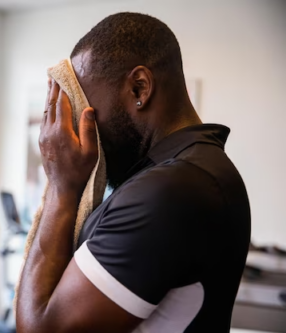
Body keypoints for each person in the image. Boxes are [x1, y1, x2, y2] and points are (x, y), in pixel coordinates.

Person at [16, 12, 251, 333]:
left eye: (88, 112)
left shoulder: (170, 189)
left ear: (140, 88)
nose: (84, 135)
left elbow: (42, 329)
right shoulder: (190, 170)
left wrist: (61, 186)